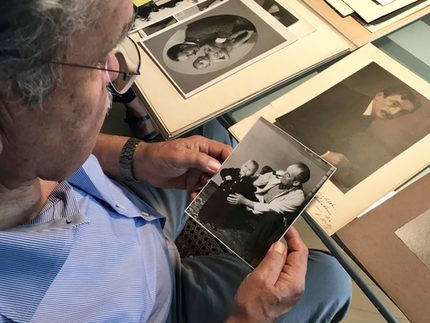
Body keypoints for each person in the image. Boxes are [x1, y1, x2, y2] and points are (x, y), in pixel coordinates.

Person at [0, 1, 351, 322]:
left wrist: (135, 157)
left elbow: (37, 146)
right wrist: (247, 317)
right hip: (162, 308)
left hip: (135, 219)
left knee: (211, 129)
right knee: (332, 281)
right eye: (97, 61)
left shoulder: (25, 151)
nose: (118, 71)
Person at [276, 82, 422, 190]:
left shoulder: (368, 118)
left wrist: (345, 162)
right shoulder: (342, 95)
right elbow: (294, 120)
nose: (394, 113)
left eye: (402, 112)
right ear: (379, 95)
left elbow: (333, 136)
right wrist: (325, 153)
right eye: (394, 103)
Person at [227, 163, 310, 264]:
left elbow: (272, 208)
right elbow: (261, 179)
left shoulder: (298, 197)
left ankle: (249, 250)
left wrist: (245, 201)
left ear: (296, 183)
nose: (283, 174)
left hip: (268, 216)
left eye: (287, 174)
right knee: (239, 185)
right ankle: (220, 218)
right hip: (258, 201)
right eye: (286, 170)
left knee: (273, 216)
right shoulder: (280, 174)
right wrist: (247, 178)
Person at [198, 160, 259, 230]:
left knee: (224, 213)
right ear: (242, 165)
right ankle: (203, 214)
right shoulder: (234, 171)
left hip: (230, 201)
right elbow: (224, 171)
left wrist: (254, 202)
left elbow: (251, 193)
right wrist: (226, 175)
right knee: (212, 205)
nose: (246, 169)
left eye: (249, 170)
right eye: (245, 166)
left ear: (252, 174)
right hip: (220, 194)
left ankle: (216, 222)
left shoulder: (248, 182)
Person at [167, 15, 255, 61]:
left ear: (183, 47)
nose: (193, 55)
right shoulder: (200, 44)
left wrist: (218, 43)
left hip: (243, 18)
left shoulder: (194, 32)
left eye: (188, 54)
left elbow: (227, 22)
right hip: (247, 27)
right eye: (189, 57)